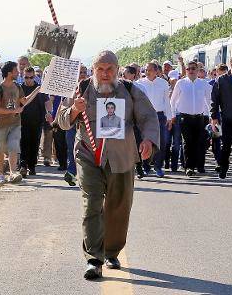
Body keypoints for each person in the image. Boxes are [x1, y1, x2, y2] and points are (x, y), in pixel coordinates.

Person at [55, 50, 159, 280]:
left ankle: (111, 252)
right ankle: (93, 258)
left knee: (119, 206)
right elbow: (61, 121)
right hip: (88, 155)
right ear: (93, 70)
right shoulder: (80, 90)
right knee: (92, 202)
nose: (104, 74)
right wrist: (74, 110)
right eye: (100, 69)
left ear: (117, 69)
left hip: (121, 156)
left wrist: (149, 140)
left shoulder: (130, 90)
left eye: (109, 69)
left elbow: (149, 117)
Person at [0, 61, 41, 184]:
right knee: (1, 150)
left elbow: (24, 102)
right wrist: (14, 110)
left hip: (15, 123)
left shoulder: (18, 87)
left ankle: (13, 173)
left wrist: (37, 90)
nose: (18, 72)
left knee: (13, 147)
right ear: (9, 73)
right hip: (1, 124)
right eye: (16, 70)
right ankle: (1, 173)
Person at [171, 60, 212, 176]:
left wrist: (210, 116)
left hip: (200, 117)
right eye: (188, 69)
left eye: (193, 68)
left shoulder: (204, 84)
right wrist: (173, 115)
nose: (191, 71)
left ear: (198, 70)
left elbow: (209, 101)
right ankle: (188, 167)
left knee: (199, 142)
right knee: (187, 142)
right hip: (185, 117)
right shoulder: (181, 83)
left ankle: (198, 165)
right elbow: (173, 101)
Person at [135, 62, 172, 177]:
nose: (147, 72)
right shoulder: (139, 83)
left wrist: (169, 117)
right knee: (145, 141)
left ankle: (158, 166)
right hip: (144, 117)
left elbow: (166, 101)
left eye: (150, 70)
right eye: (146, 70)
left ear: (156, 71)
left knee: (162, 141)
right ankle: (146, 166)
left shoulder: (163, 83)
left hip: (159, 116)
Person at [19, 67, 52, 176]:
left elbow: (47, 102)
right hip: (22, 121)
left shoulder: (40, 89)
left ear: (34, 77)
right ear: (23, 76)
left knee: (34, 143)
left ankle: (32, 166)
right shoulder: (20, 88)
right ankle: (23, 165)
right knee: (23, 143)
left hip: (37, 121)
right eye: (26, 77)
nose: (28, 79)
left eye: (31, 77)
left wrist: (49, 112)